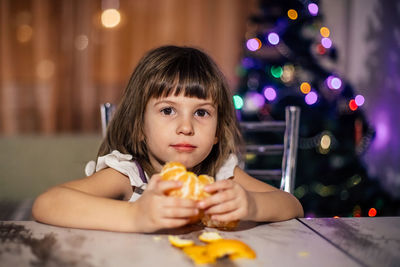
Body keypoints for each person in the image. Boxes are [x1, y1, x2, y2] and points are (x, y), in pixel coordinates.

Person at [32, 45, 303, 233]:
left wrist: (251, 205)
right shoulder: (130, 175)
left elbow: (293, 205)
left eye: (201, 112)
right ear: (139, 126)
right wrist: (136, 216)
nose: (186, 126)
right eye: (168, 110)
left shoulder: (220, 176)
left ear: (218, 131)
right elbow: (48, 203)